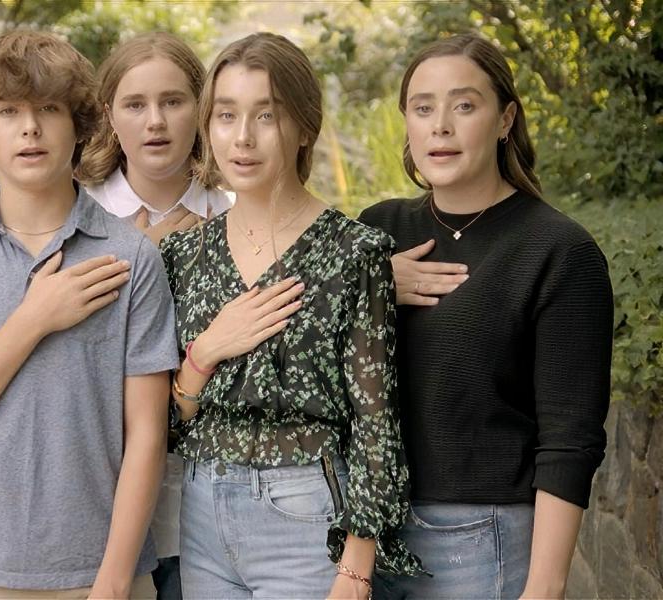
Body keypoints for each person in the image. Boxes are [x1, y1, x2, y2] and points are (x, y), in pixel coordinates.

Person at [0, 30, 178, 598]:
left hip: (108, 574)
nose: (29, 128)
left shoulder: (130, 258)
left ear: (79, 124)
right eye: (8, 111)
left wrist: (113, 581)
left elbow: (147, 434)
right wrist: (33, 319)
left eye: (48, 109)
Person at [160, 32, 424, 600]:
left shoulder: (354, 253)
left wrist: (357, 565)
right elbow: (164, 427)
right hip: (201, 515)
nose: (243, 138)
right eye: (226, 115)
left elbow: (377, 424)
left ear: (304, 126)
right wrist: (202, 355)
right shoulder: (184, 255)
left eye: (266, 115)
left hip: (305, 514)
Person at [359, 33, 613, 599]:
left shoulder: (557, 249)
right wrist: (367, 286)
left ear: (505, 120)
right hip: (367, 535)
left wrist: (543, 588)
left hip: (482, 542)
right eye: (422, 108)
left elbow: (570, 440)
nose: (439, 125)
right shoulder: (377, 233)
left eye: (464, 105)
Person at [77, 31, 231, 600]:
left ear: (201, 107)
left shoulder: (236, 209)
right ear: (109, 117)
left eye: (173, 101)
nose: (156, 122)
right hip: (104, 505)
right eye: (135, 105)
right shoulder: (78, 214)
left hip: (212, 505)